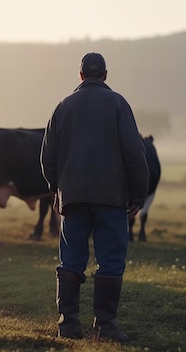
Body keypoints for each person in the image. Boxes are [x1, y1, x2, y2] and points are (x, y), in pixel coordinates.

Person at [40, 52, 149, 343]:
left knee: (71, 260)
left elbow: (47, 155)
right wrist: (138, 193)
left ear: (80, 75)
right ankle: (106, 325)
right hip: (111, 197)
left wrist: (56, 189)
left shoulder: (63, 106)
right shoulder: (118, 104)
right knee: (111, 261)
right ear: (104, 75)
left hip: (72, 197)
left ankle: (68, 325)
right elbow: (134, 153)